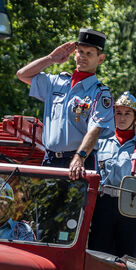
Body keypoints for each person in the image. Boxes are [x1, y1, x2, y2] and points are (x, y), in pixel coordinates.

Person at [16, 28, 114, 168]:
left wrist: (80, 156)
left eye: (89, 53)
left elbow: (96, 128)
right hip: (50, 159)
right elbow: (22, 75)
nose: (83, 56)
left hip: (79, 161)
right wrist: (51, 58)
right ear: (75, 54)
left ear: (100, 59)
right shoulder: (57, 82)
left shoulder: (100, 93)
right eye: (80, 51)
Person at [84, 92, 136, 258]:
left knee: (126, 257)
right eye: (118, 113)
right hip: (103, 203)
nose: (122, 118)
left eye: (127, 113)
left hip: (129, 204)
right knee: (98, 254)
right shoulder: (101, 140)